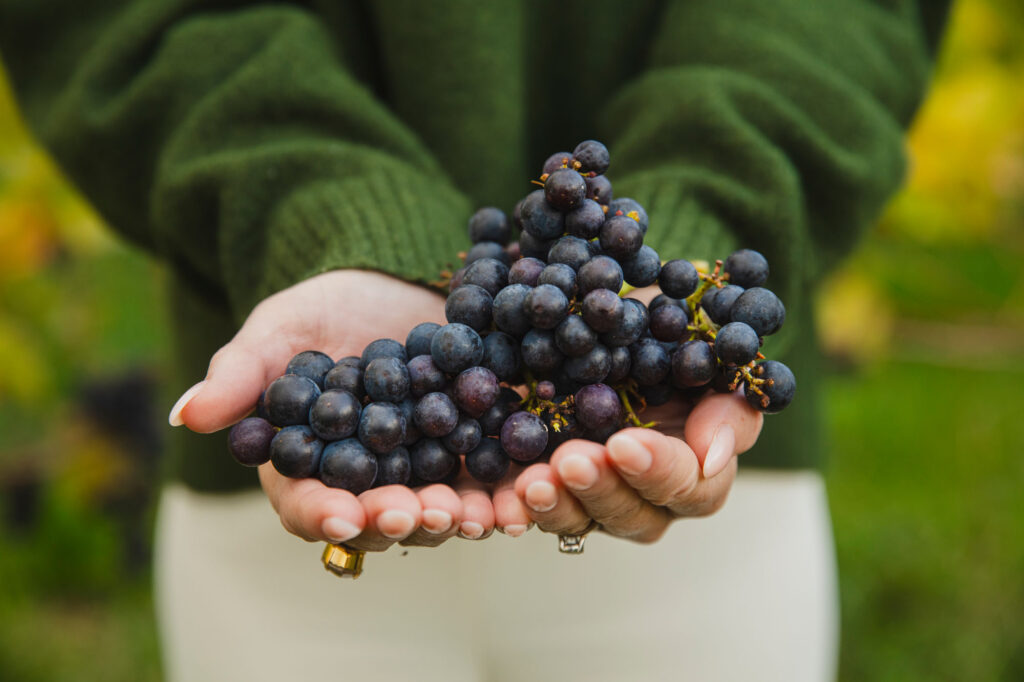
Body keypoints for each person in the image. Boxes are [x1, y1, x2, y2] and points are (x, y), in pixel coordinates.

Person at [0, 1, 950, 679]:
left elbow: (843, 18)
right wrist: (322, 211)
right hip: (290, 497)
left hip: (685, 459)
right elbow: (119, 20)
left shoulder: (679, 326)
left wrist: (680, 234)